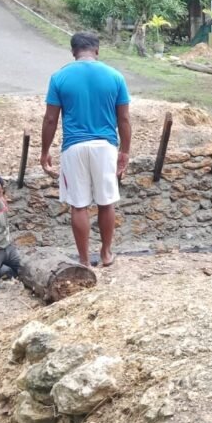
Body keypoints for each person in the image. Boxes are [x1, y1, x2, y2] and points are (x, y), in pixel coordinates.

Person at [40, 32, 131, 268]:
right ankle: (106, 253)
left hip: (74, 147)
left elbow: (50, 119)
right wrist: (125, 152)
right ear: (97, 51)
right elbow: (124, 119)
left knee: (78, 205)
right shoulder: (115, 76)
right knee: (106, 202)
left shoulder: (59, 77)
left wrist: (45, 150)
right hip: (105, 146)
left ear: (73, 52)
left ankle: (83, 261)